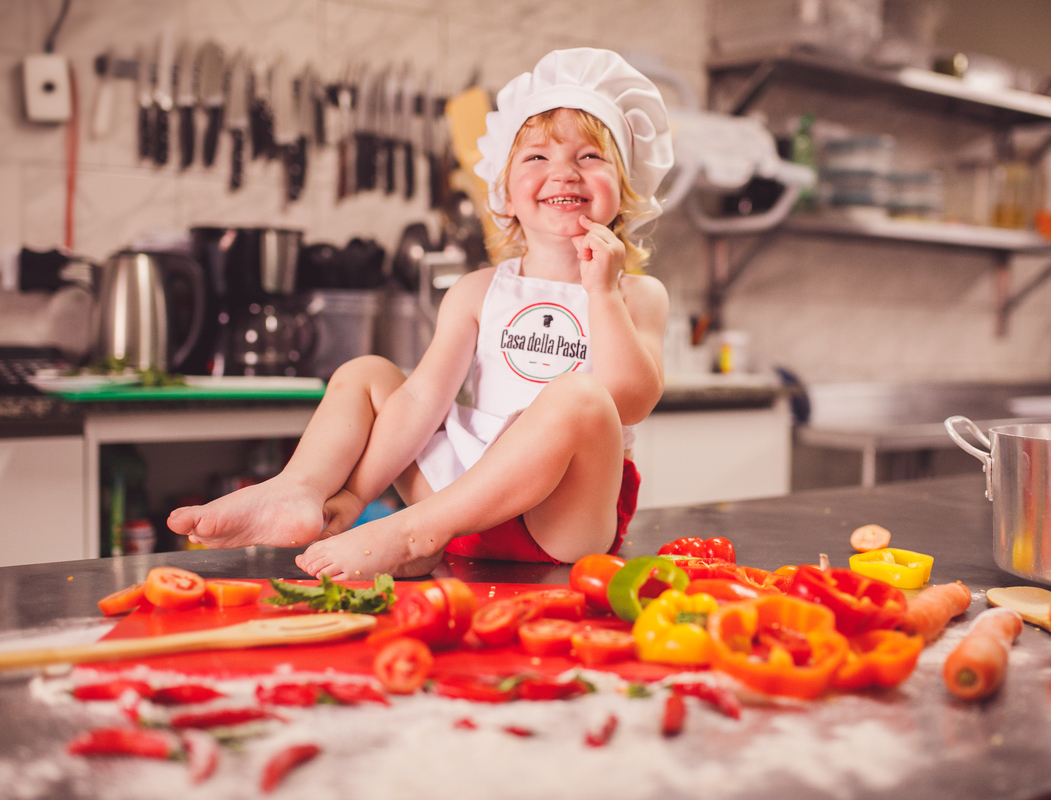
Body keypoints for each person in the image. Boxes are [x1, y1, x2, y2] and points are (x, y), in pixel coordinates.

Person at [167, 48, 674, 579]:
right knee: (368, 376)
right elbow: (423, 399)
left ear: (626, 185)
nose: (564, 173)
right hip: (463, 504)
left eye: (590, 157)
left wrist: (601, 294)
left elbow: (631, 402)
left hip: (564, 521)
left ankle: (411, 533)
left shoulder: (637, 295)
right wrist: (360, 492)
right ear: (504, 192)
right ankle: (305, 493)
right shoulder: (478, 292)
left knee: (580, 395)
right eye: (537, 157)